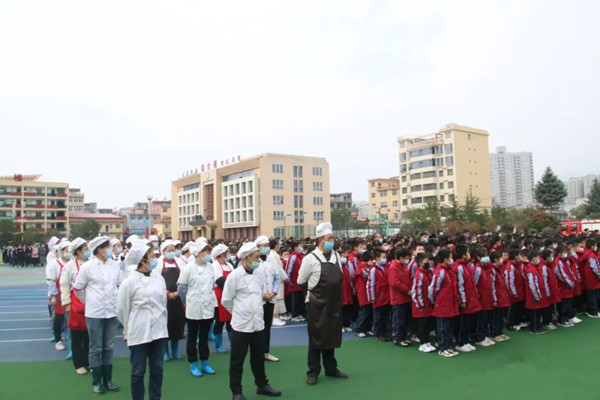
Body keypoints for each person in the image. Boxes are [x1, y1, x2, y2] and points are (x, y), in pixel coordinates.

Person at [222, 242, 281, 400]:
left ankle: (262, 385)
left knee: (258, 357)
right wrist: (239, 313)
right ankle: (236, 391)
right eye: (256, 257)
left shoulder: (258, 273)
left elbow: (260, 294)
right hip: (241, 325)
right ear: (246, 258)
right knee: (237, 360)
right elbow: (226, 300)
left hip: (258, 324)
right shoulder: (234, 276)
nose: (258, 260)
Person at [298, 222, 348, 386]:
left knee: (331, 336)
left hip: (334, 302)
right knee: (316, 338)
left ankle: (331, 368)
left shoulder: (336, 256)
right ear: (320, 240)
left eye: (333, 238)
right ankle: (313, 372)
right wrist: (313, 296)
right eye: (329, 238)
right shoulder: (310, 259)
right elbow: (301, 281)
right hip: (316, 304)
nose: (332, 241)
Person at [118, 242, 168, 400]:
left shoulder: (159, 278)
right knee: (138, 371)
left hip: (159, 330)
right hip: (139, 330)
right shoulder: (129, 282)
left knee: (157, 369)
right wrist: (128, 328)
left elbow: (163, 303)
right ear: (142, 260)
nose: (154, 259)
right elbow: (122, 309)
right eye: (151, 256)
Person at [73, 236, 121, 394]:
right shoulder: (88, 267)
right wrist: (89, 301)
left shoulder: (115, 265)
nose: (111, 249)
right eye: (108, 247)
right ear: (100, 249)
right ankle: (96, 381)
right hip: (95, 312)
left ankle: (108, 380)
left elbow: (119, 285)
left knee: (109, 347)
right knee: (96, 348)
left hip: (112, 311)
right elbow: (78, 288)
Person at [177, 242, 217, 377]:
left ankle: (205, 362)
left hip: (208, 307)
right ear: (199, 253)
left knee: (204, 338)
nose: (209, 255)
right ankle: (193, 363)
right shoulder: (188, 268)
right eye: (207, 252)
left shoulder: (210, 266)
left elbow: (211, 285)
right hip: (193, 307)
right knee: (192, 338)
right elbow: (181, 289)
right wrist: (187, 301)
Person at [60, 237, 91, 374]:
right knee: (77, 334)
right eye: (85, 248)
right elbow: (64, 284)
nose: (88, 250)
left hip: (92, 302)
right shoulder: (70, 266)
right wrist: (66, 302)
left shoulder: (92, 262)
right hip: (76, 304)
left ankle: (88, 361)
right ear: (78, 251)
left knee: (90, 335)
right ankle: (78, 364)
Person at [155, 240, 185, 361]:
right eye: (169, 250)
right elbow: (156, 281)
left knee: (177, 323)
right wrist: (167, 293)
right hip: (164, 299)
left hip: (177, 298)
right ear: (163, 251)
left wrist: (178, 292)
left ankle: (175, 351)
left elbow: (183, 280)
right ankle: (165, 352)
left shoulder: (179, 263)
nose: (172, 252)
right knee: (165, 324)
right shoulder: (158, 264)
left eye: (173, 250)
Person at [429, 249, 459, 358]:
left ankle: (448, 346)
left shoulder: (449, 270)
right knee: (443, 327)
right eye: (450, 257)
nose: (452, 259)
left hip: (450, 303)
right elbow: (433, 289)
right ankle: (442, 348)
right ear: (446, 259)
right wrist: (435, 300)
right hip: (442, 304)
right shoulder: (440, 272)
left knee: (449, 327)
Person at [255, 236, 281, 363]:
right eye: (264, 246)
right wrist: (262, 294)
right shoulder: (254, 261)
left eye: (267, 245)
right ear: (258, 247)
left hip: (270, 297)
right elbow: (252, 281)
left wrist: (274, 291)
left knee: (267, 326)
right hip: (259, 299)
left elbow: (277, 277)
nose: (266, 248)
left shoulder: (271, 259)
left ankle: (266, 352)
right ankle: (257, 352)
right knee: (258, 327)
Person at [452, 244, 481, 353]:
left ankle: (465, 340)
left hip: (471, 296)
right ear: (463, 254)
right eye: (467, 252)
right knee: (463, 322)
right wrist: (463, 300)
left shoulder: (467, 265)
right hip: (465, 298)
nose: (469, 254)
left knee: (469, 321)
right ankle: (460, 342)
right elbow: (460, 285)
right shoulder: (458, 267)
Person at [47, 240, 71, 352]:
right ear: (61, 251)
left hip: (73, 294)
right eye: (67, 250)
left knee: (72, 318)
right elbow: (52, 281)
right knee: (59, 317)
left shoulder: (73, 262)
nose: (69, 252)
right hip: (60, 294)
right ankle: (58, 340)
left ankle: (71, 339)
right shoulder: (55, 264)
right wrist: (53, 295)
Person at [211, 243, 234, 354]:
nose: (228, 254)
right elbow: (220, 281)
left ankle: (233, 343)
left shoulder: (229, 265)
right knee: (219, 322)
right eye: (226, 252)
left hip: (230, 296)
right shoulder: (214, 266)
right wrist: (232, 286)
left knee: (231, 321)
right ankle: (218, 345)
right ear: (221, 254)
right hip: (219, 298)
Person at [411, 253, 436, 353]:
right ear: (421, 263)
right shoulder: (419, 275)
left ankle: (427, 342)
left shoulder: (427, 272)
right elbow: (416, 291)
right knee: (422, 325)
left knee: (427, 325)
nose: (428, 262)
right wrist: (419, 304)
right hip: (421, 305)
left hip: (428, 303)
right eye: (426, 261)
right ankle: (422, 344)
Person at [388, 247, 412, 347]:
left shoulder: (403, 266)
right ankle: (398, 338)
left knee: (404, 320)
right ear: (401, 258)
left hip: (405, 297)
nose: (407, 260)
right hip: (398, 298)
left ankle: (403, 337)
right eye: (406, 258)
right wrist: (407, 290)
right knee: (399, 320)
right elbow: (394, 283)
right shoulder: (394, 268)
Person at [368, 249, 391, 341]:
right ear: (377, 258)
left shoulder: (387, 267)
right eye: (383, 257)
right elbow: (371, 284)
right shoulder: (374, 269)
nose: (385, 259)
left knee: (386, 316)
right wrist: (372, 297)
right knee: (378, 317)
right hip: (378, 297)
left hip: (387, 296)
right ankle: (378, 334)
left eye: (385, 257)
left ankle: (385, 333)